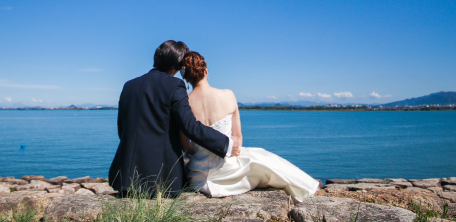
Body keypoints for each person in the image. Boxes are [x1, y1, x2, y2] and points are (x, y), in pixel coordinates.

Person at [180, 51, 319, 202]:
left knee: (258, 156)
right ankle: (307, 186)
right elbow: (238, 139)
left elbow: (186, 147)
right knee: (263, 157)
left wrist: (202, 150)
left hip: (198, 177)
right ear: (205, 70)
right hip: (228, 175)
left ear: (186, 78)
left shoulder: (183, 104)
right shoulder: (227, 95)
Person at [109, 40, 240, 196]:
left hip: (125, 176)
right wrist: (226, 143)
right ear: (178, 66)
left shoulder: (129, 85)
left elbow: (122, 129)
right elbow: (190, 126)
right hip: (161, 178)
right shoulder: (174, 85)